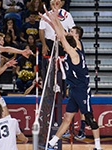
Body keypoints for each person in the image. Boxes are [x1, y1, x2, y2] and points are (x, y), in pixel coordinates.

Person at [39, 6, 102, 150]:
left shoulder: (75, 51)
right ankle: (52, 143)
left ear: (77, 36)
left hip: (81, 88)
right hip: (74, 88)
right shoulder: (73, 47)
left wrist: (53, 19)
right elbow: (61, 33)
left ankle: (98, 147)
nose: (69, 31)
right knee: (67, 118)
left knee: (89, 117)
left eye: (72, 31)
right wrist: (51, 20)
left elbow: (61, 35)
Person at [39, 0, 75, 83]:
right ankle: (48, 85)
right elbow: (41, 30)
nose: (55, 3)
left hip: (62, 42)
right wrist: (44, 45)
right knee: (48, 64)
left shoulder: (67, 15)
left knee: (64, 64)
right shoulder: (46, 15)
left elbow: (72, 29)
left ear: (62, 3)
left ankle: (65, 84)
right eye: (53, 2)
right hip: (50, 42)